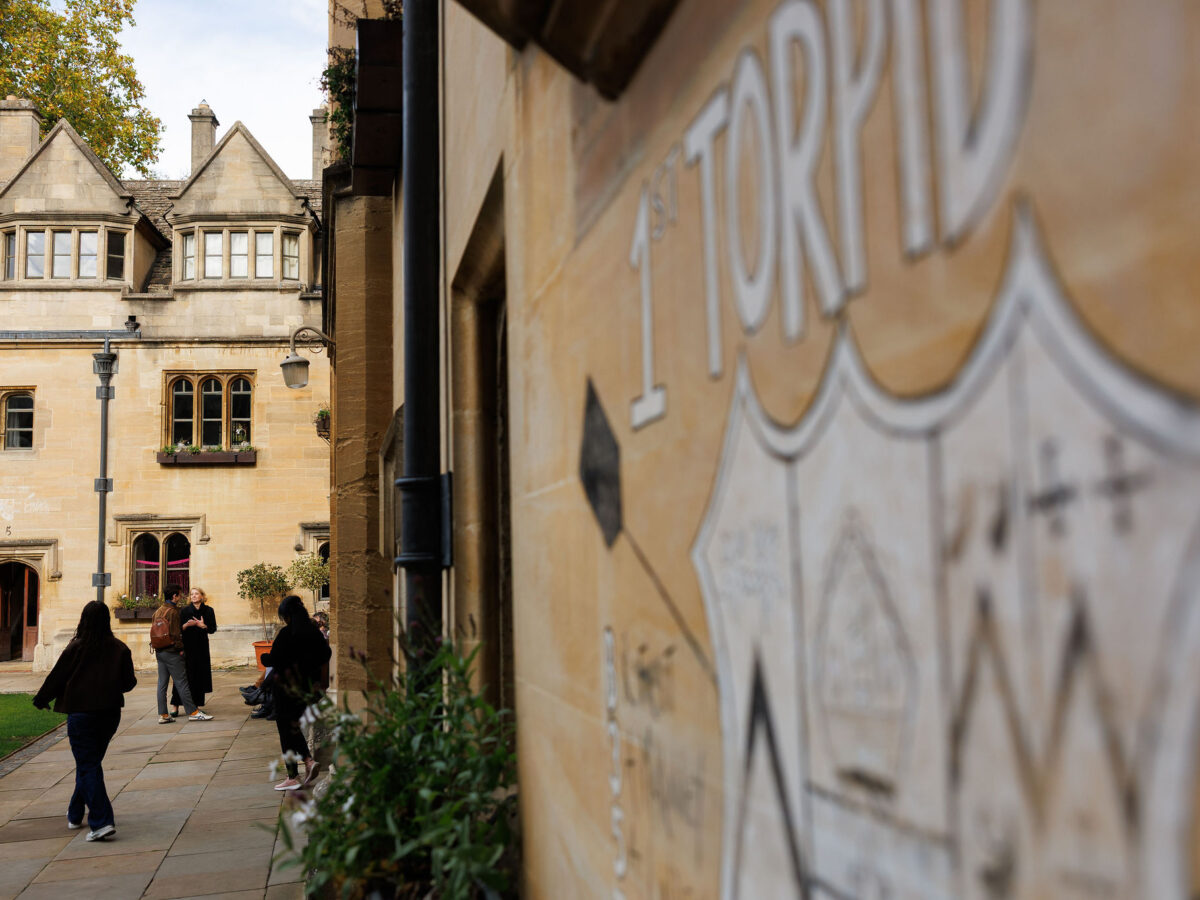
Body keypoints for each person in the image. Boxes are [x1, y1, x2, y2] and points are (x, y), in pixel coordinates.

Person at [32, 601, 136, 842]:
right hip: (109, 714)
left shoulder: (76, 647)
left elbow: (57, 676)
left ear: (84, 619)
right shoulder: (119, 648)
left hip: (82, 714)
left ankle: (101, 822)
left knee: (88, 763)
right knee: (90, 762)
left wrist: (42, 699)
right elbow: (128, 683)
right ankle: (76, 812)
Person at [261, 594, 331, 791]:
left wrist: (266, 657)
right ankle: (308, 761)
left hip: (285, 689)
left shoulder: (287, 634)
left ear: (287, 615)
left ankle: (294, 775)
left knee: (285, 731)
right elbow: (326, 655)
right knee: (292, 728)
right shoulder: (314, 633)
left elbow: (274, 660)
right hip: (307, 688)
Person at [152, 585, 214, 724]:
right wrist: (180, 649)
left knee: (162, 684)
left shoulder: (158, 611)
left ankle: (163, 714)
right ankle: (193, 712)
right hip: (172, 652)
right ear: (174, 596)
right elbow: (175, 634)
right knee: (182, 682)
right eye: (179, 595)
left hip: (160, 651)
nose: (181, 597)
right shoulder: (173, 612)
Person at [169, 587, 217, 716]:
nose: (194, 596)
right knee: (183, 676)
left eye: (197, 594)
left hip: (201, 648)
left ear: (202, 596)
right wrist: (186, 626)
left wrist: (203, 626)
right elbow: (177, 629)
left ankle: (195, 707)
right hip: (187, 647)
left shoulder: (208, 610)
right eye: (192, 594)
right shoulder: (184, 610)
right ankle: (175, 706)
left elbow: (212, 629)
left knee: (198, 676)